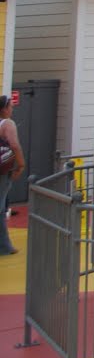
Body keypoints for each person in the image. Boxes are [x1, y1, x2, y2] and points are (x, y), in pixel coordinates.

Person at [0, 93, 23, 254]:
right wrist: (21, 164)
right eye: (11, 107)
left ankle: (5, 245)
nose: (12, 110)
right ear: (4, 109)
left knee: (2, 208)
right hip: (2, 170)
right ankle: (4, 245)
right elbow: (14, 145)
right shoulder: (8, 124)